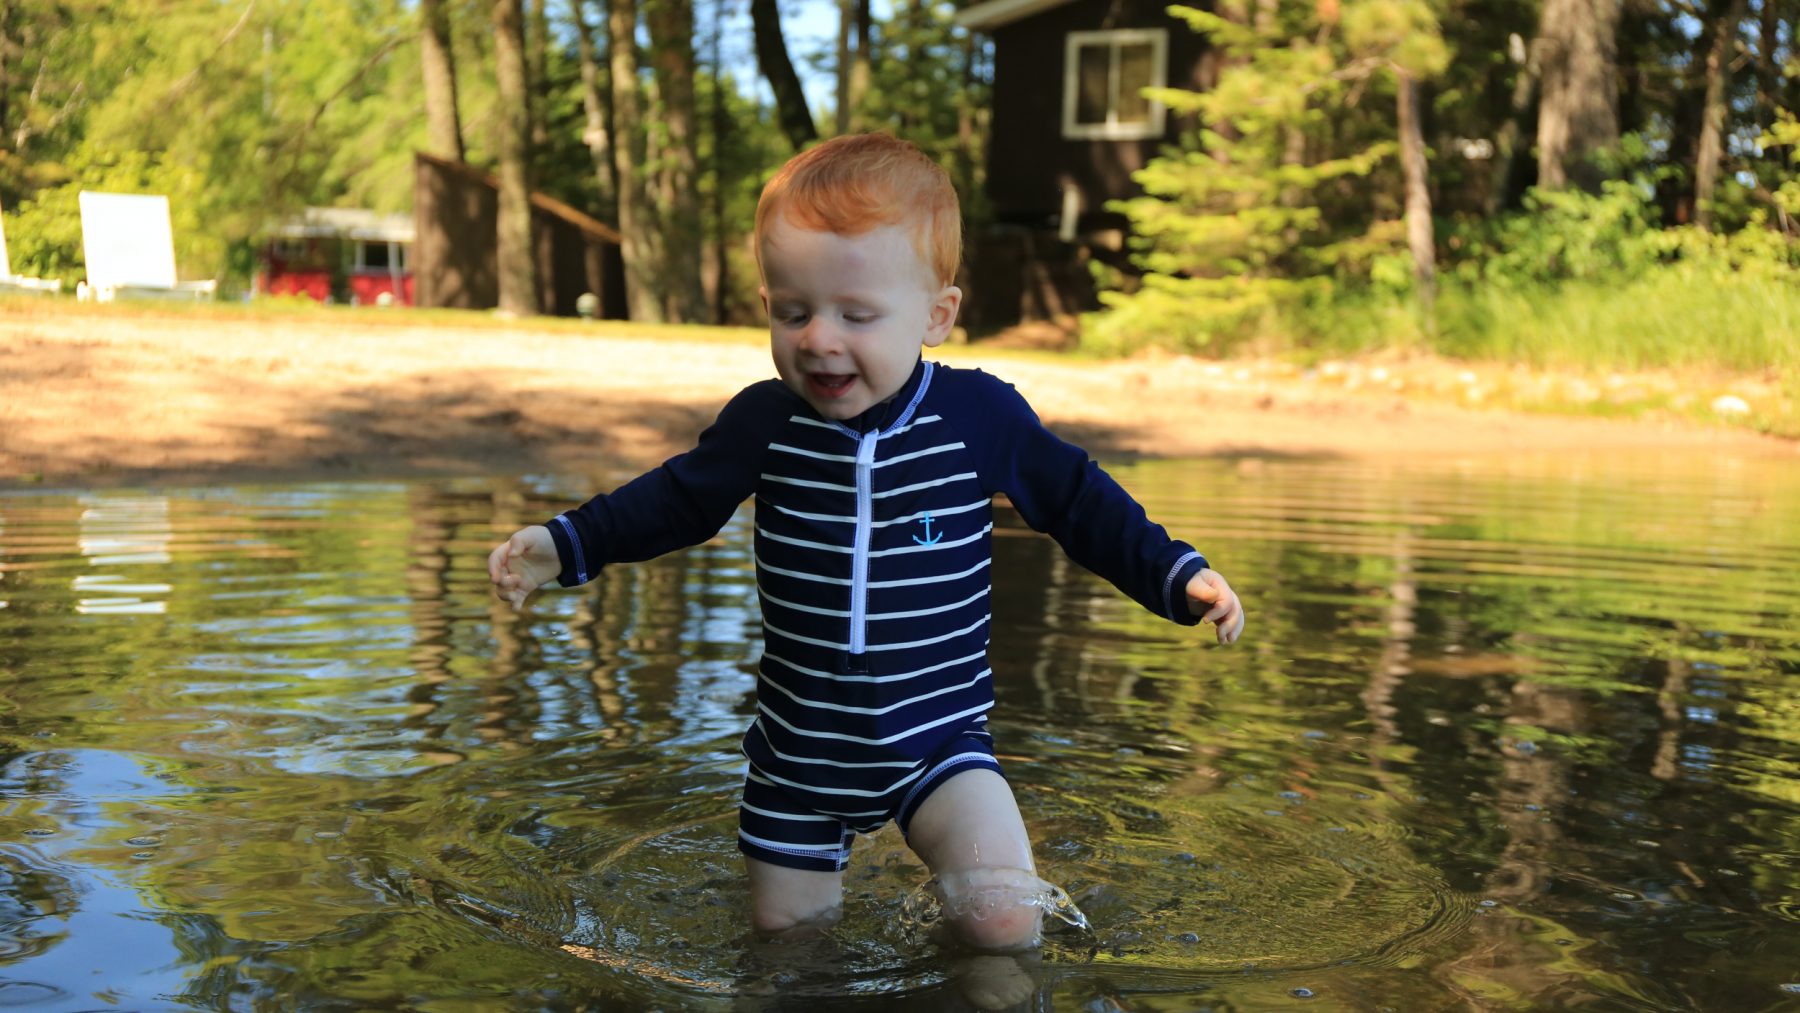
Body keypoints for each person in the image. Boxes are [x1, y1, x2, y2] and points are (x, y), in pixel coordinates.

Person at [487, 133, 1245, 956]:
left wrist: (1177, 574)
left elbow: (1079, 501)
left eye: (856, 315)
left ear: (936, 316)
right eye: (792, 310)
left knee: (1002, 920)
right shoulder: (765, 423)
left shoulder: (976, 419)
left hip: (939, 739)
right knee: (789, 943)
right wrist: (564, 544)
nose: (818, 339)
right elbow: (674, 501)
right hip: (799, 753)